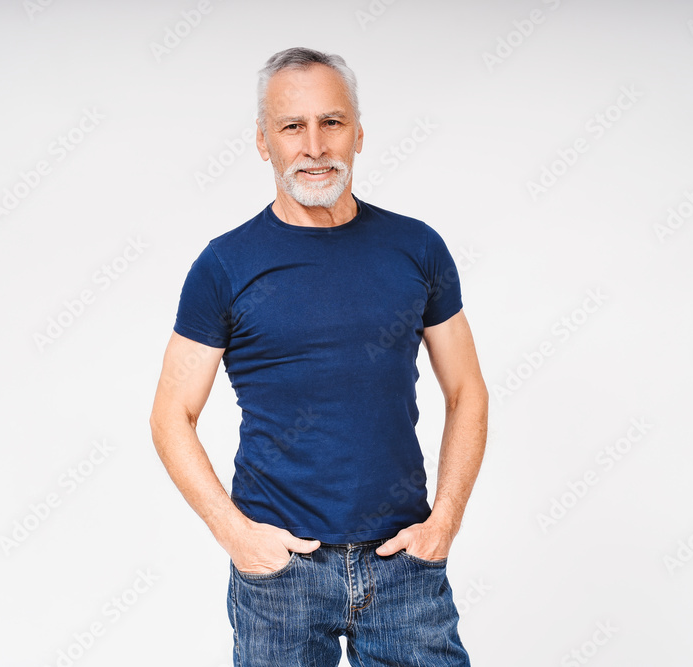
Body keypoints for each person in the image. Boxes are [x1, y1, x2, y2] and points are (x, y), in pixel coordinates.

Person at [150, 46, 488, 666]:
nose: (314, 146)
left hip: (404, 564)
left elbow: (467, 390)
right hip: (281, 573)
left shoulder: (417, 248)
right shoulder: (224, 265)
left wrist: (444, 522)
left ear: (358, 133)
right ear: (263, 141)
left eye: (331, 122)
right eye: (292, 126)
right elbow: (171, 415)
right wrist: (238, 537)